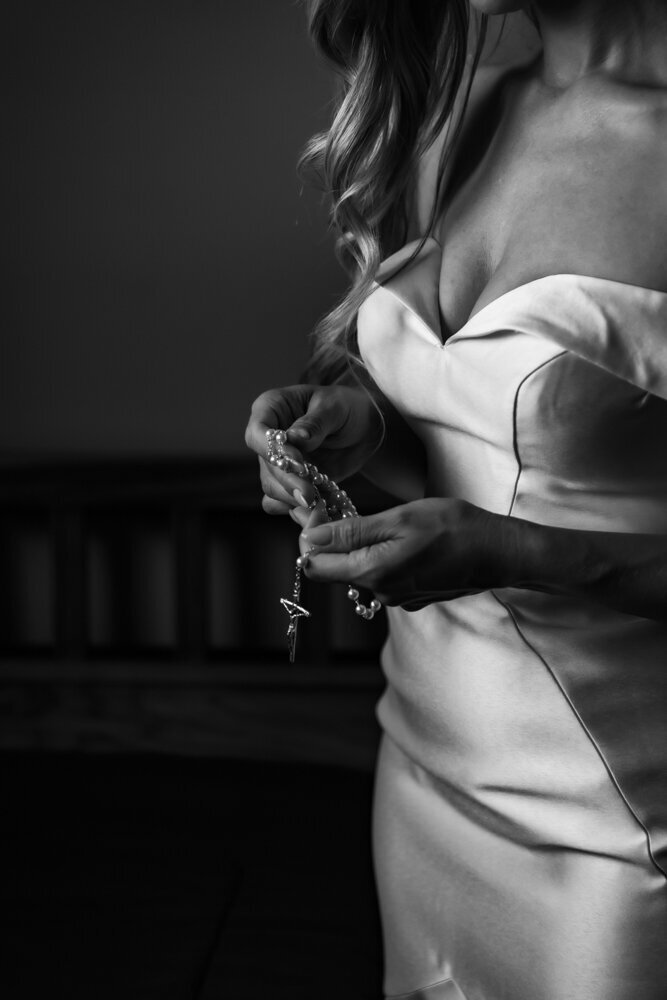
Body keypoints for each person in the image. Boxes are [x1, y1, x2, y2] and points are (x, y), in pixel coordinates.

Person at [245, 2, 667, 996]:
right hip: (424, 770)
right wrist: (351, 424)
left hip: (613, 829)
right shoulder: (463, 108)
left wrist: (519, 554)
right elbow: (462, 416)